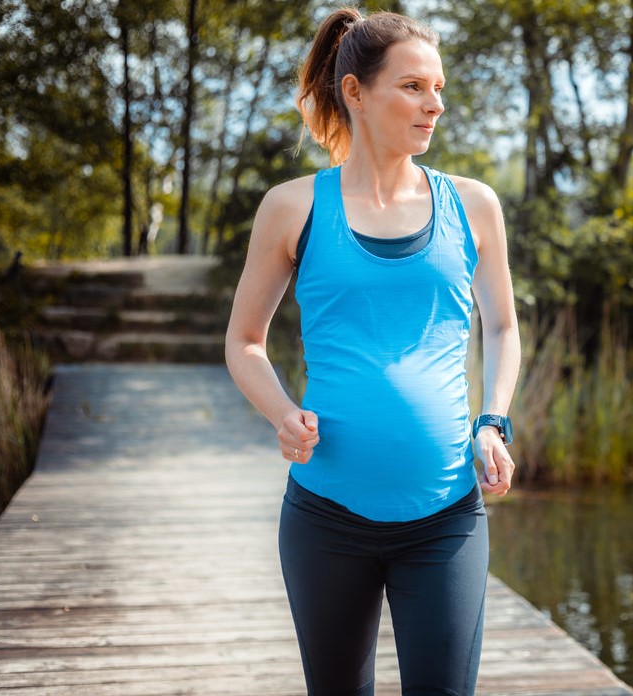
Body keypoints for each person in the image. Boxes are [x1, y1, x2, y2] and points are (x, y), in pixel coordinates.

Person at [224, 8, 521, 695]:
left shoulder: (473, 206)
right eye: (413, 86)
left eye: (438, 87)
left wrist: (493, 422)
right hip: (326, 516)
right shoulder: (293, 207)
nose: (435, 103)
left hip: (446, 515)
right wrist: (281, 412)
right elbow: (243, 342)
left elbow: (502, 327)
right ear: (355, 92)